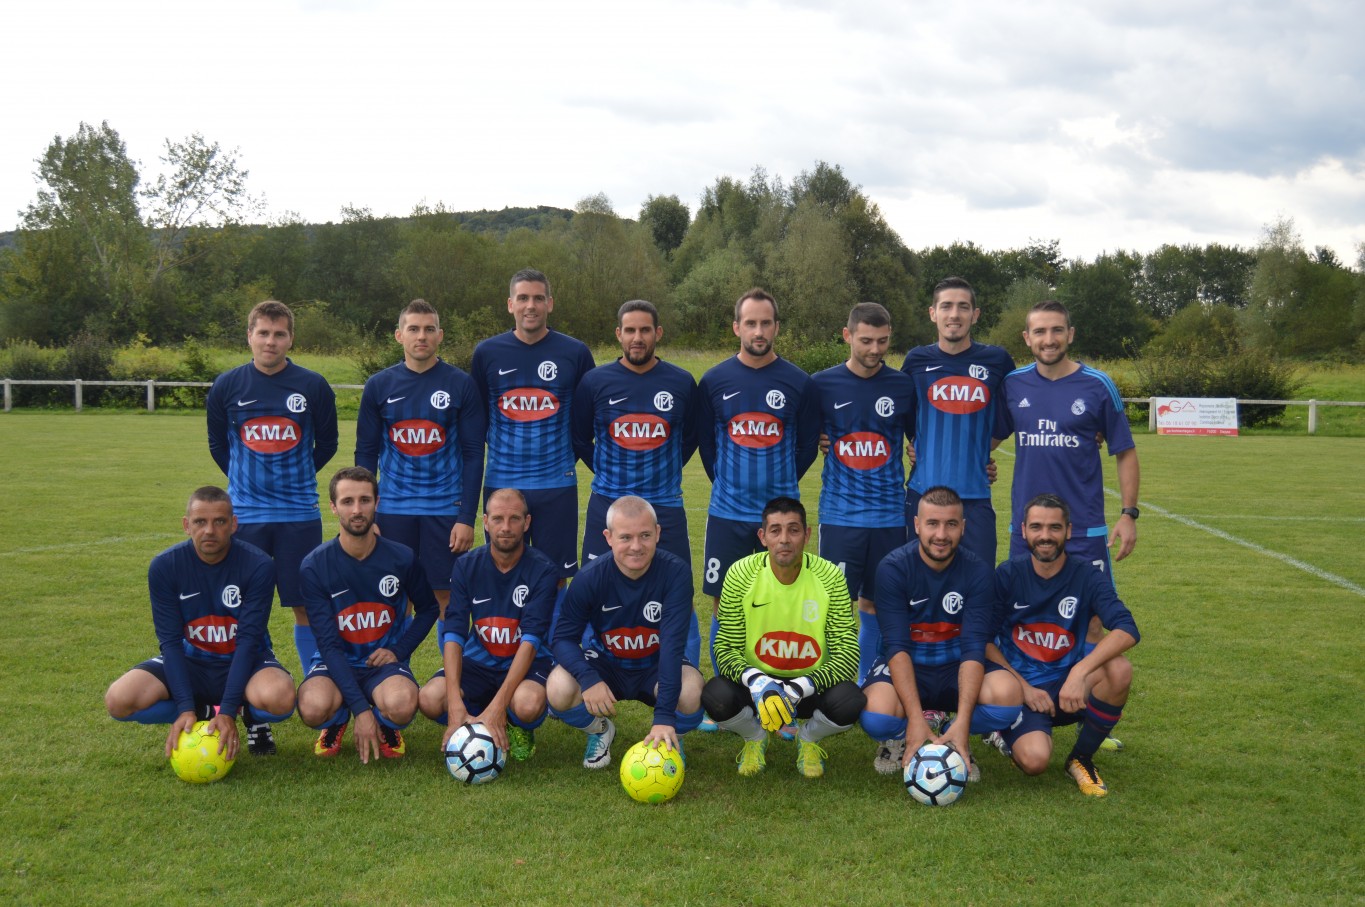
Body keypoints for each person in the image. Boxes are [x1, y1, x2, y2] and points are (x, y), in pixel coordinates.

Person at [993, 298, 1140, 750]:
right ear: (1027, 338)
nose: (1049, 339)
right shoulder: (1013, 384)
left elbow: (1124, 451)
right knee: (1017, 622)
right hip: (1028, 531)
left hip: (1085, 530)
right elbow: (989, 436)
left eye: (1057, 330)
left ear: (1070, 334)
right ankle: (1009, 715)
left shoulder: (1097, 385)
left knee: (1092, 627)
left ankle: (1086, 716)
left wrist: (1128, 514)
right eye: (1040, 331)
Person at [206, 299, 338, 730]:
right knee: (246, 609)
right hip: (245, 516)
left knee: (305, 605)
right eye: (263, 333)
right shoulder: (227, 386)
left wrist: (294, 476)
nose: (270, 341)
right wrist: (245, 481)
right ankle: (254, 708)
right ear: (249, 336)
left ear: (291, 339)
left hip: (299, 514)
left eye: (279, 334)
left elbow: (328, 444)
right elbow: (219, 446)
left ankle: (318, 686)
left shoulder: (312, 386)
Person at [697, 289, 819, 727]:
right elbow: (708, 447)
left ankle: (779, 702)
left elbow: (807, 446)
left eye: (766, 322)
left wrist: (778, 489)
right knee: (724, 606)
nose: (758, 330)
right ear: (737, 327)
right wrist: (730, 483)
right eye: (750, 323)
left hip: (779, 520)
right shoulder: (714, 380)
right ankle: (728, 703)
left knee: (780, 607)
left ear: (776, 327)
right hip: (728, 514)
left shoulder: (798, 382)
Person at [105, 486, 295, 760]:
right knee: (118, 700)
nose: (209, 530)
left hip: (245, 659)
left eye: (219, 521)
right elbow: (170, 642)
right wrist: (185, 707)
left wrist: (228, 711)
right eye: (200, 522)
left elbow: (248, 640)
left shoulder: (259, 565)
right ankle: (203, 711)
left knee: (281, 698)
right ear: (186, 525)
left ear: (233, 524)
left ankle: (250, 715)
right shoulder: (165, 566)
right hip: (191, 661)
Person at [858, 486, 1022, 777]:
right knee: (876, 715)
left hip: (955, 667)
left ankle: (951, 734)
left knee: (1007, 696)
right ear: (917, 524)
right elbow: (896, 647)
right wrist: (914, 718)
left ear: (963, 527)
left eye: (951, 524)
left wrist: (964, 721)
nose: (941, 534)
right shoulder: (893, 568)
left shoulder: (978, 571)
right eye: (932, 523)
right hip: (909, 664)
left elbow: (973, 648)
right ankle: (902, 736)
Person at [987, 493, 1139, 796]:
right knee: (1034, 762)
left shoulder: (1087, 576)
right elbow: (982, 641)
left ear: (1068, 531)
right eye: (1037, 527)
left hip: (1069, 689)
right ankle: (1004, 729)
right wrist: (1023, 688)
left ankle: (1081, 758)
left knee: (1119, 670)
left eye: (1054, 527)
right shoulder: (1008, 574)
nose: (1045, 536)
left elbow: (1127, 629)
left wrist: (1079, 672)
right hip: (1022, 691)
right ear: (1024, 531)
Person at [702, 497, 863, 778]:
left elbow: (847, 653)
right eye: (775, 530)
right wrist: (758, 682)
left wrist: (801, 686)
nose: (784, 539)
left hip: (809, 686)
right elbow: (725, 647)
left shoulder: (831, 576)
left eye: (793, 530)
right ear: (762, 537)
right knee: (715, 695)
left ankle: (808, 738)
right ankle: (754, 737)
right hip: (758, 687)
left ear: (807, 535)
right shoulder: (740, 574)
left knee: (850, 700)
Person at [547, 496, 704, 768]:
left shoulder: (676, 573)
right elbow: (562, 639)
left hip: (656, 664)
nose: (636, 546)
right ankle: (600, 730)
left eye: (645, 535)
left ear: (658, 533)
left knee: (691, 692)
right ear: (608, 538)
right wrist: (588, 678)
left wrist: (664, 716)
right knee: (559, 688)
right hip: (607, 664)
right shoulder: (590, 577)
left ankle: (670, 739)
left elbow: (671, 645)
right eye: (625, 537)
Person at [355, 299, 485, 624]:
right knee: (393, 595)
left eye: (429, 329)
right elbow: (366, 455)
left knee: (447, 597)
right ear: (399, 335)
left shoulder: (461, 384)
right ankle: (394, 659)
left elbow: (473, 455)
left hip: (445, 509)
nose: (421, 336)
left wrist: (466, 517)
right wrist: (368, 513)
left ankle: (450, 660)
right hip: (392, 509)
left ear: (440, 335)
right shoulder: (379, 386)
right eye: (413, 329)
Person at [295, 467, 438, 762]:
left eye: (365, 500)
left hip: (382, 666)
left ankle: (386, 724)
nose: (357, 510)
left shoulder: (402, 558)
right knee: (312, 707)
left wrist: (398, 650)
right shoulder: (315, 566)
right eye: (347, 501)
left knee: (402, 704)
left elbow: (429, 609)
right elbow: (328, 645)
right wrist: (361, 711)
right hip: (334, 662)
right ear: (334, 507)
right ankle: (338, 719)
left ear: (377, 502)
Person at [812, 302, 917, 682]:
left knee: (877, 605)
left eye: (883, 341)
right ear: (848, 335)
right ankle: (830, 686)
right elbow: (803, 434)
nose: (875, 349)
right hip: (840, 517)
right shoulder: (821, 384)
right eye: (867, 340)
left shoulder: (902, 385)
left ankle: (867, 682)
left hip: (889, 517)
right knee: (834, 607)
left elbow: (919, 440)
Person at [470, 269, 596, 582]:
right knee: (501, 571)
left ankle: (552, 620)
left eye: (538, 298)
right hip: (502, 483)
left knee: (555, 577)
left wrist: (562, 458)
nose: (531, 305)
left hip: (556, 485)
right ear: (510, 304)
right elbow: (478, 418)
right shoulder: (487, 353)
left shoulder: (575, 352)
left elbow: (586, 420)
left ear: (549, 304)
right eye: (523, 298)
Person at [417, 488, 558, 762]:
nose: (505, 527)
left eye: (514, 519)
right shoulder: (466, 565)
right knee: (430, 699)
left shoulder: (543, 570)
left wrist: (499, 707)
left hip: (527, 663)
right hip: (478, 663)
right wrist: (454, 703)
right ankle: (471, 721)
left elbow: (531, 642)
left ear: (527, 522)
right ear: (485, 521)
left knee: (528, 704)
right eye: (497, 519)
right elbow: (454, 632)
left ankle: (514, 722)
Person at [573, 299, 699, 569]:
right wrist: (607, 469)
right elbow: (580, 438)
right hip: (608, 501)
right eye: (630, 330)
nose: (637, 338)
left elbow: (691, 437)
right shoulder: (595, 381)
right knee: (595, 584)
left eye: (645, 330)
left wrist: (665, 468)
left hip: (665, 503)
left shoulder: (681, 382)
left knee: (675, 585)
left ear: (658, 333)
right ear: (619, 334)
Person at [901, 276, 1015, 565]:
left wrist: (980, 450)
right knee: (919, 584)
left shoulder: (997, 361)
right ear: (933, 313)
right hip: (923, 495)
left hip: (975, 499)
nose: (954, 314)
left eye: (963, 307)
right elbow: (900, 413)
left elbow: (1019, 407)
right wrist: (917, 443)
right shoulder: (916, 361)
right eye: (946, 306)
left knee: (979, 584)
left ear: (975, 315)